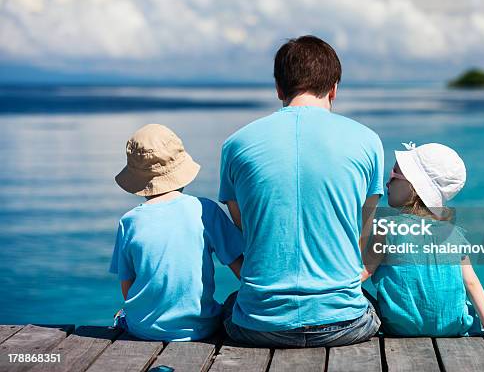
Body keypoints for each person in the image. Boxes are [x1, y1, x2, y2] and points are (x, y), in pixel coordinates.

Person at [219, 35, 383, 347]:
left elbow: (245, 226)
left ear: (279, 88)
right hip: (343, 323)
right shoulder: (368, 141)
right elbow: (363, 228)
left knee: (231, 304)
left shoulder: (236, 144)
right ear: (333, 89)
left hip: (260, 325)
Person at [363, 142, 484, 337]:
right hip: (452, 327)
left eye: (394, 175)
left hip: (400, 328)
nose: (388, 182)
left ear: (413, 186)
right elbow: (471, 283)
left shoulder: (387, 229)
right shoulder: (454, 234)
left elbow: (363, 272)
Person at [109, 124, 243, 341]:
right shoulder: (205, 210)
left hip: (143, 329)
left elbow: (127, 289)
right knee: (230, 302)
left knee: (122, 314)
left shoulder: (129, 221)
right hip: (202, 328)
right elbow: (241, 270)